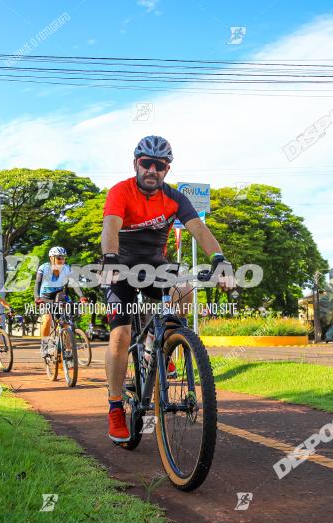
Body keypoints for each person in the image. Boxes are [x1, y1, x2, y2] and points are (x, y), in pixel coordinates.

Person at [100, 135, 234, 442]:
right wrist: (109, 258)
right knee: (120, 334)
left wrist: (220, 259)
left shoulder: (174, 198)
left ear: (167, 169)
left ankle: (152, 346)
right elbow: (110, 226)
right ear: (136, 163)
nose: (152, 170)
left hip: (155, 265)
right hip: (120, 265)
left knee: (184, 291)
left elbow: (199, 228)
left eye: (159, 166)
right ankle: (115, 407)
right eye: (146, 163)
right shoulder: (121, 191)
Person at [34, 246, 72, 357]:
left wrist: (81, 297)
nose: (61, 260)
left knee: (66, 324)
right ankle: (45, 346)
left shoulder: (66, 268)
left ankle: (69, 351)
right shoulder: (43, 268)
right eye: (59, 257)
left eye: (63, 258)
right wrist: (37, 298)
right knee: (46, 319)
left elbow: (72, 285)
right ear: (51, 258)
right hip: (44, 297)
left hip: (58, 295)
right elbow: (37, 284)